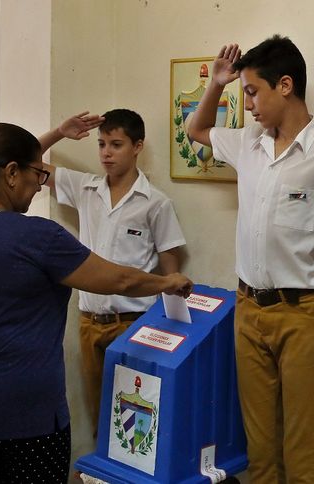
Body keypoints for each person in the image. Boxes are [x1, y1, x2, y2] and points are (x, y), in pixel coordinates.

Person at [0, 122, 193, 484]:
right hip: (26, 414)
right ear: (11, 173)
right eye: (36, 174)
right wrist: (167, 281)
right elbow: (118, 279)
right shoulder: (36, 236)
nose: (39, 184)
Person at [186, 35, 314, 483]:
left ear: (284, 85)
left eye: (252, 92)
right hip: (248, 311)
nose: (247, 104)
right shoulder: (248, 143)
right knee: (259, 450)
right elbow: (195, 131)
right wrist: (219, 83)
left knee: (302, 450)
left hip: (302, 314)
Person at [37, 109, 187, 433]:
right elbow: (24, 161)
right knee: (100, 417)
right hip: (91, 324)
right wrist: (60, 132)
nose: (106, 152)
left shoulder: (155, 202)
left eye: (116, 144)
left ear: (137, 146)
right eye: (102, 144)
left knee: (136, 422)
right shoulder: (85, 188)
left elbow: (170, 272)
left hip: (135, 325)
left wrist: (170, 327)